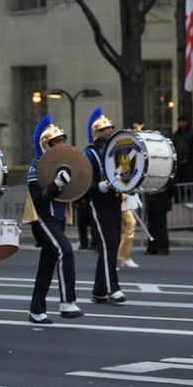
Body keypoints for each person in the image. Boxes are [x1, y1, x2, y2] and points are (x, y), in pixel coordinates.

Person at [23, 115, 84, 323]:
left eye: (62, 140)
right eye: (55, 141)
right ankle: (67, 302)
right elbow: (38, 199)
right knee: (65, 251)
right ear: (46, 145)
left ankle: (36, 309)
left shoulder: (67, 165)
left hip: (58, 218)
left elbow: (76, 192)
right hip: (43, 217)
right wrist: (56, 184)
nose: (60, 144)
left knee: (47, 265)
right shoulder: (37, 166)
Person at [83, 107, 126, 305]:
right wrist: (98, 187)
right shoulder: (88, 154)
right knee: (108, 243)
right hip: (98, 203)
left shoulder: (115, 151)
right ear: (97, 132)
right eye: (106, 129)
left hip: (114, 201)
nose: (111, 131)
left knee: (112, 244)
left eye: (111, 128)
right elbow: (82, 183)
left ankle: (99, 291)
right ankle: (112, 288)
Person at [171, 115, 193, 185]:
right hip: (179, 162)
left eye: (183, 122)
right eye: (180, 122)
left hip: (190, 162)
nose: (181, 124)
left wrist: (191, 153)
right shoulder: (176, 135)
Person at [118, 192, 142, 268]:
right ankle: (119, 256)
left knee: (131, 225)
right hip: (116, 196)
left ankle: (125, 255)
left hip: (126, 197)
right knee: (115, 229)